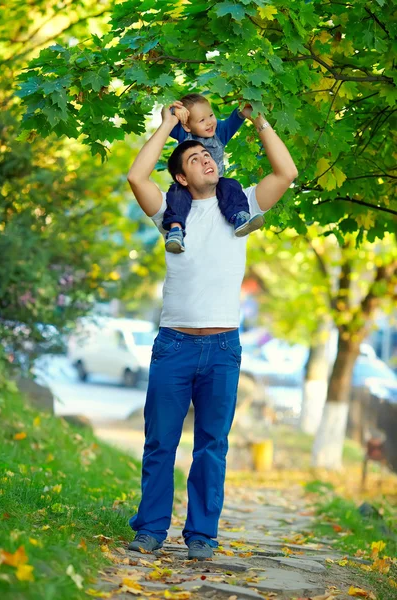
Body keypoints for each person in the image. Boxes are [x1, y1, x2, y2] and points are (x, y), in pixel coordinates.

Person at [126, 101, 298, 560]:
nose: (206, 158)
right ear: (181, 177)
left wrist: (259, 118)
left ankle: (201, 535)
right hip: (175, 345)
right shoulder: (169, 213)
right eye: (194, 158)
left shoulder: (238, 208)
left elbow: (286, 173)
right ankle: (150, 529)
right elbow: (137, 178)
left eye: (209, 156)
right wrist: (167, 127)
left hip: (224, 347)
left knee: (211, 447)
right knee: (160, 442)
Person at [163, 94, 264, 253]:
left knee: (231, 185)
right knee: (176, 193)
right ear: (187, 126)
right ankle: (175, 230)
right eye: (202, 120)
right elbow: (167, 121)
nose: (209, 122)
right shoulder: (184, 134)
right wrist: (174, 109)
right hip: (190, 185)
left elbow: (235, 118)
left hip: (216, 182)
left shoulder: (220, 132)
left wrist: (243, 110)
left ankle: (239, 218)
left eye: (210, 115)